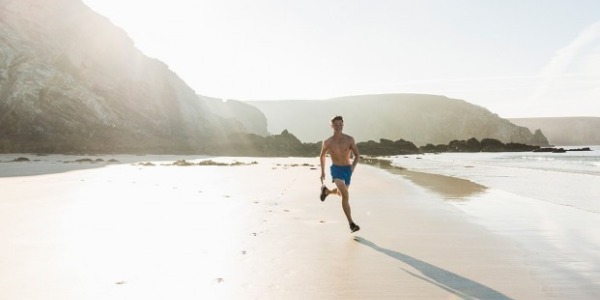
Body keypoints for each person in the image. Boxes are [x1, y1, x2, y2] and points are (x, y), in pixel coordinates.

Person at [319, 115, 360, 232]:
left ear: (343, 125)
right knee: (346, 195)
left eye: (340, 125)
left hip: (347, 170)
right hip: (336, 170)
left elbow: (357, 155)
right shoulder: (328, 142)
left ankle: (326, 191)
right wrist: (322, 172)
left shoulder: (349, 139)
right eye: (336, 125)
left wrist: (353, 167)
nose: (338, 127)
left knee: (340, 193)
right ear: (332, 126)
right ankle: (351, 223)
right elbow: (322, 155)